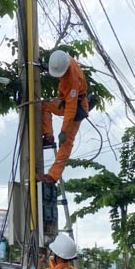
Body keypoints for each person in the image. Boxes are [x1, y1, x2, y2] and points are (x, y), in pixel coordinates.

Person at [39, 49, 88, 185]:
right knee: (44, 105)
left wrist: (64, 131)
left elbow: (71, 109)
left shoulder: (72, 80)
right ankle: (48, 136)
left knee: (66, 142)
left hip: (77, 107)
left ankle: (53, 176)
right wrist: (46, 67)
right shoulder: (63, 60)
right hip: (65, 101)